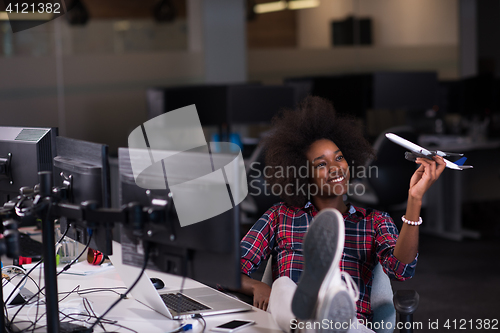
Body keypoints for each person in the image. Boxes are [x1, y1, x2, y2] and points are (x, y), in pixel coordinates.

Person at [238, 96, 445, 331]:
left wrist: (415, 199)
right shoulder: (280, 216)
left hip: (351, 326)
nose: (336, 168)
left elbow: (401, 269)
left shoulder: (374, 221)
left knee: (334, 319)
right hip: (294, 324)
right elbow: (231, 269)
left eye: (339, 157)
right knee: (283, 286)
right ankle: (310, 320)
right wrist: (257, 286)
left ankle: (328, 309)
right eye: (321, 164)